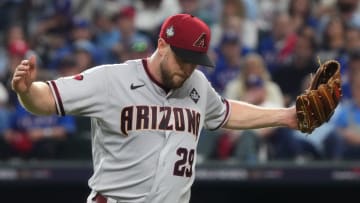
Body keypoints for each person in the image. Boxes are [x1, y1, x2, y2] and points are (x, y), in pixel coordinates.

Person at [11, 14, 298, 203]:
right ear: (162, 45)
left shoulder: (196, 83)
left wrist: (285, 116)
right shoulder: (112, 79)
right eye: (182, 58)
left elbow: (225, 112)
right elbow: (47, 99)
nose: (187, 68)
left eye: (194, 61)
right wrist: (27, 90)